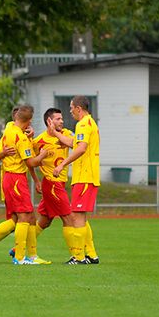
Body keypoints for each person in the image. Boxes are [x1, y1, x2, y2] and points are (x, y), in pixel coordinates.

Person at [0, 105, 50, 265]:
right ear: (29, 121)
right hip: (15, 179)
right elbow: (31, 162)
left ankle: (31, 255)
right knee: (23, 216)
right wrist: (43, 154)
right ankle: (20, 257)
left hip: (13, 178)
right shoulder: (20, 138)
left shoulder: (9, 128)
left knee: (28, 217)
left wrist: (29, 136)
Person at [20, 108, 76, 263]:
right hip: (52, 183)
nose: (62, 121)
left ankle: (16, 249)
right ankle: (76, 256)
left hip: (60, 183)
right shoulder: (39, 141)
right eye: (58, 119)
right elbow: (29, 161)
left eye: (61, 118)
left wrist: (57, 133)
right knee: (69, 218)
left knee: (45, 221)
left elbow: (72, 144)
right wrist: (36, 180)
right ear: (49, 122)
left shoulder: (66, 133)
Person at [53, 96, 100, 265]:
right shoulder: (88, 123)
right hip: (85, 176)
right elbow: (74, 142)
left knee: (76, 216)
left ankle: (79, 257)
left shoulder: (83, 124)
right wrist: (56, 133)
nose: (70, 111)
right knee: (80, 217)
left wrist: (62, 165)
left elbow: (80, 148)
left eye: (72, 107)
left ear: (79, 108)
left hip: (85, 176)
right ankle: (92, 255)